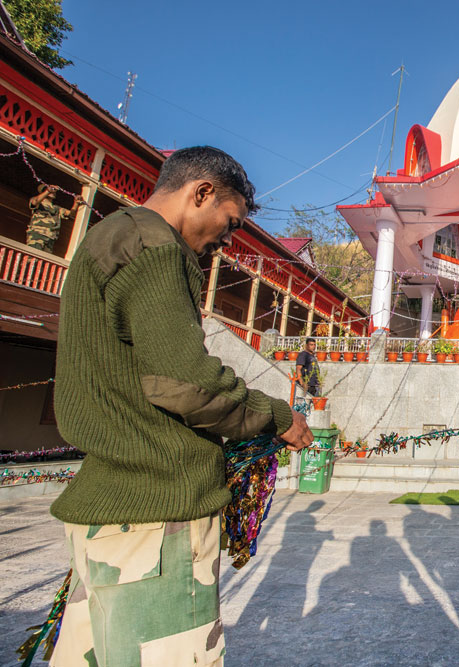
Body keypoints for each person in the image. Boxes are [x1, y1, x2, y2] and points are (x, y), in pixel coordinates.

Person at [50, 146, 313, 666]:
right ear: (201, 193)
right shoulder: (156, 247)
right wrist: (278, 416)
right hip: (155, 507)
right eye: (230, 222)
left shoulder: (109, 235)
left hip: (111, 503)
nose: (226, 240)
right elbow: (185, 382)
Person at [26, 184, 82, 253]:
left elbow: (71, 214)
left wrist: (76, 203)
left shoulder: (56, 208)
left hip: (50, 239)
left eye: (54, 191)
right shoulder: (39, 203)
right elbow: (35, 202)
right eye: (51, 190)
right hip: (37, 235)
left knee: (43, 261)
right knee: (32, 258)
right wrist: (48, 191)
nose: (53, 192)